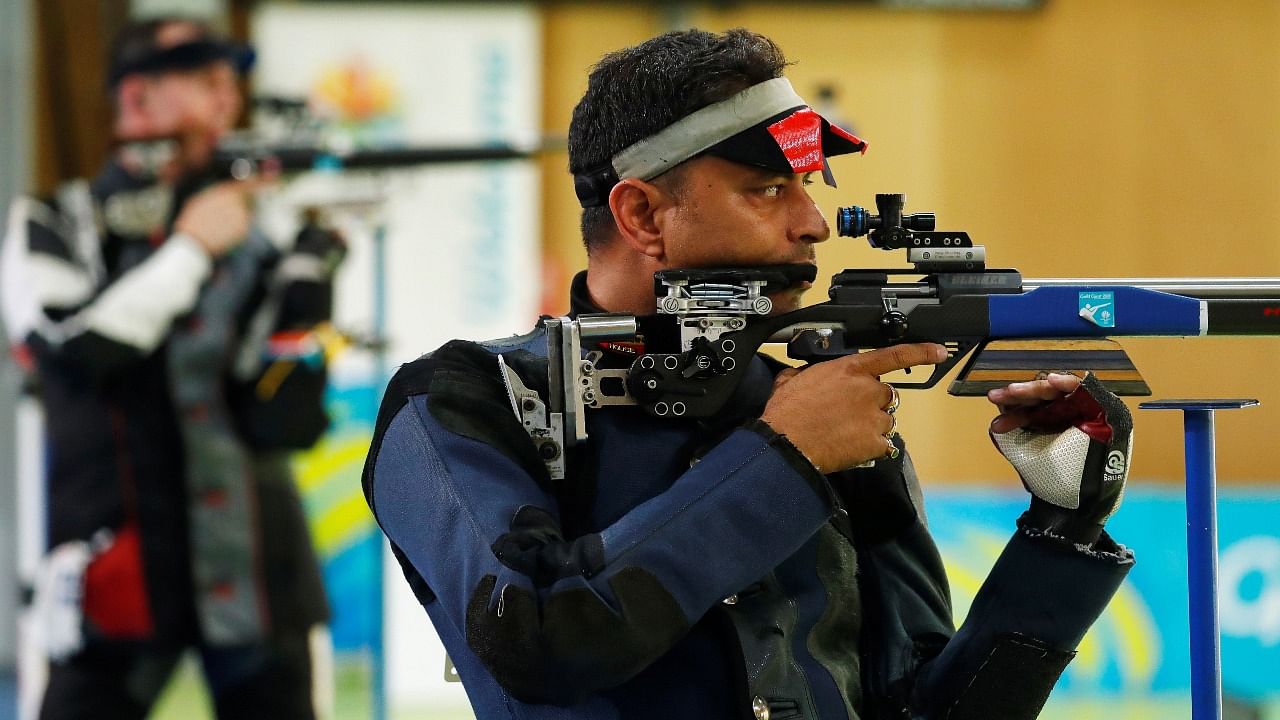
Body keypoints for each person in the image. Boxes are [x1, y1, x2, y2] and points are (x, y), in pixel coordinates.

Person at [362, 28, 1134, 720]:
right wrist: (785, 456)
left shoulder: (815, 405)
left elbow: (920, 706)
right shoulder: (463, 400)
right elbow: (534, 637)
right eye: (769, 188)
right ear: (641, 217)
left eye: (808, 187)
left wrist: (1060, 528)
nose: (814, 223)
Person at [0, 17, 341, 720]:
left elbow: (287, 419)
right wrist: (190, 250)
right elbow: (73, 349)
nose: (227, 102)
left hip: (256, 575)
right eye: (205, 81)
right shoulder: (54, 223)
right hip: (114, 575)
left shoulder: (254, 227)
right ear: (138, 99)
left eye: (230, 85)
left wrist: (307, 282)